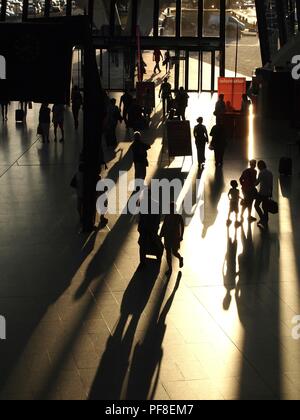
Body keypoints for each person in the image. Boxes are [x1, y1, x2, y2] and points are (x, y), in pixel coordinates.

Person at [160, 202, 185, 276]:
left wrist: (181, 236)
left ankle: (180, 258)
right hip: (168, 237)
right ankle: (170, 268)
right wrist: (161, 235)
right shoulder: (167, 216)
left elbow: (182, 226)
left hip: (174, 237)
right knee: (168, 253)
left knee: (174, 252)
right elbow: (164, 226)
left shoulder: (178, 216)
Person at [255, 160, 274, 228]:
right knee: (265, 207)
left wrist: (252, 182)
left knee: (256, 205)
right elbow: (271, 184)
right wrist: (271, 193)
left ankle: (262, 218)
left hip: (262, 193)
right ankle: (265, 219)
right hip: (268, 193)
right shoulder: (270, 173)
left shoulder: (261, 173)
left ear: (260, 166)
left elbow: (257, 183)